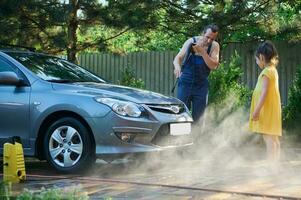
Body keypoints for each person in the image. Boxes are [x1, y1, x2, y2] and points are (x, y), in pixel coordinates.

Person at [173, 24, 220, 123]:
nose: (209, 41)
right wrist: (177, 67)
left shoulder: (214, 46)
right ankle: (180, 138)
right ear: (203, 33)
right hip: (185, 83)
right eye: (207, 37)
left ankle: (196, 138)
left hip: (201, 86)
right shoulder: (191, 42)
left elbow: (213, 65)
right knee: (181, 114)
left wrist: (203, 52)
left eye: (212, 39)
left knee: (199, 118)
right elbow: (178, 58)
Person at [249, 41, 281, 163]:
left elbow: (264, 93)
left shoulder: (267, 72)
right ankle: (275, 164)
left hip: (266, 110)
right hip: (272, 109)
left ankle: (271, 165)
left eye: (257, 60)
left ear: (261, 57)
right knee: (274, 139)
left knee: (268, 138)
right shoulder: (272, 70)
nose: (257, 62)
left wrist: (256, 111)